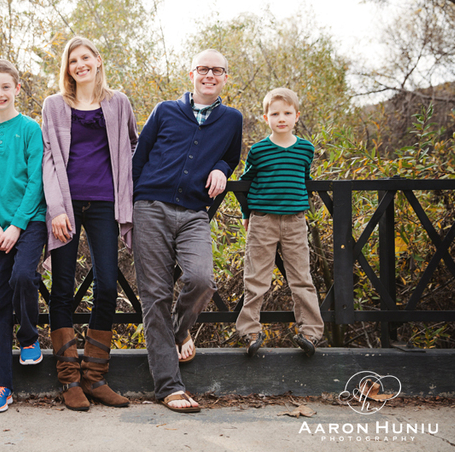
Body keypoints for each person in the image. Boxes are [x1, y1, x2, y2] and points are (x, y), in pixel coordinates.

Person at [132, 49, 243, 413]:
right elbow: (140, 155)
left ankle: (179, 330)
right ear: (191, 74)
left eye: (217, 70)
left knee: (201, 279)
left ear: (225, 78)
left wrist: (223, 169)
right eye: (203, 69)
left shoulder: (231, 119)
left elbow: (231, 155)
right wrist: (129, 210)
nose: (210, 75)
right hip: (150, 208)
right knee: (155, 296)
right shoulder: (165, 111)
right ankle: (169, 386)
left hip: (194, 212)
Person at [42, 36, 138, 411]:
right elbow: (49, 158)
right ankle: (69, 381)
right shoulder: (53, 105)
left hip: (104, 204)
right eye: (72, 60)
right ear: (67, 68)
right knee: (62, 288)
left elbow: (132, 145)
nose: (80, 64)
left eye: (86, 58)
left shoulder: (119, 103)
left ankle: (95, 377)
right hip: (65, 204)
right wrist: (56, 209)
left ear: (98, 61)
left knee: (107, 285)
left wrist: (129, 189)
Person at [0, 59, 48, 414]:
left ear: (18, 89)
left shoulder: (31, 129)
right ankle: (1, 384)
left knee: (23, 276)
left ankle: (29, 337)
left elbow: (36, 182)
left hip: (30, 222)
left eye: (6, 87)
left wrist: (16, 225)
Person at [235, 87, 325, 358]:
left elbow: (303, 180)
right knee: (256, 277)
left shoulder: (305, 149)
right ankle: (250, 331)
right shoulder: (259, 150)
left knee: (301, 277)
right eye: (275, 114)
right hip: (263, 220)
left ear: (296, 116)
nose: (281, 118)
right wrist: (246, 215)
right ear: (266, 118)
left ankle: (310, 332)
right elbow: (245, 184)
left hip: (295, 221)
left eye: (287, 113)